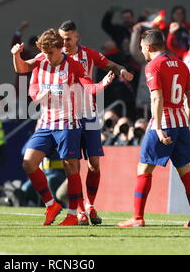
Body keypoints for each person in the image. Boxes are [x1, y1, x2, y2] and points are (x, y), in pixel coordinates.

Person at [12, 20, 133, 225]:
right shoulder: (43, 57)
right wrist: (17, 55)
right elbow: (25, 72)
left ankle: (88, 206)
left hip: (83, 116)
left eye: (68, 39)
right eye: (62, 38)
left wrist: (116, 74)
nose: (65, 42)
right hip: (53, 119)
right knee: (64, 165)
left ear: (76, 38)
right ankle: (75, 211)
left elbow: (96, 79)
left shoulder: (83, 58)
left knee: (92, 163)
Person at [117, 29, 190, 228]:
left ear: (149, 47)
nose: (142, 53)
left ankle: (138, 218)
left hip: (163, 122)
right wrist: (188, 121)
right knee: (185, 171)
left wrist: (157, 127)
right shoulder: (181, 64)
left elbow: (157, 97)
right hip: (181, 123)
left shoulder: (153, 66)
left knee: (144, 168)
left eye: (142, 49)